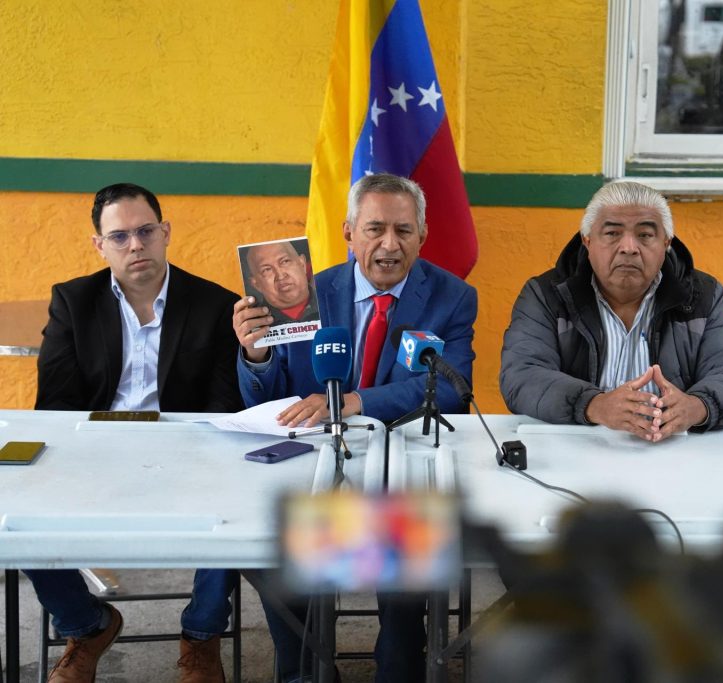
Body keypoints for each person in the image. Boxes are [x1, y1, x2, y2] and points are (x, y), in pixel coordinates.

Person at [233, 173, 477, 682]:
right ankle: (304, 673)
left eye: (403, 231)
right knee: (270, 554)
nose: (389, 245)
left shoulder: (451, 297)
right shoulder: (309, 293)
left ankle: (398, 670)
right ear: (348, 232)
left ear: (423, 235)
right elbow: (268, 396)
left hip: (401, 467)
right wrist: (256, 355)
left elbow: (452, 389)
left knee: (408, 567)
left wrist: (356, 401)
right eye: (375, 229)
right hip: (312, 466)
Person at [30, 183, 243, 682]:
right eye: (119, 236)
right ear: (99, 245)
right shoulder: (73, 302)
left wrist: (188, 450)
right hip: (96, 457)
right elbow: (54, 404)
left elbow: (223, 405)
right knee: (21, 515)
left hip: (188, 457)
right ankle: (87, 625)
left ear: (165, 233)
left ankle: (202, 634)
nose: (135, 245)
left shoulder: (215, 305)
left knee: (238, 504)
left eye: (146, 231)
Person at [500, 180, 723, 439]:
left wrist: (698, 407)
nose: (628, 248)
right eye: (612, 233)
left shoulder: (702, 296)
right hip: (575, 445)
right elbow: (522, 374)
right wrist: (595, 405)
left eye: (645, 235)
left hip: (672, 452)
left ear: (666, 244)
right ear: (587, 241)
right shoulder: (547, 294)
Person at [243, 240, 318, 325]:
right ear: (257, 285)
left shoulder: (332, 303)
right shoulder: (251, 323)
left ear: (302, 264)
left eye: (285, 261)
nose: (280, 276)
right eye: (267, 270)